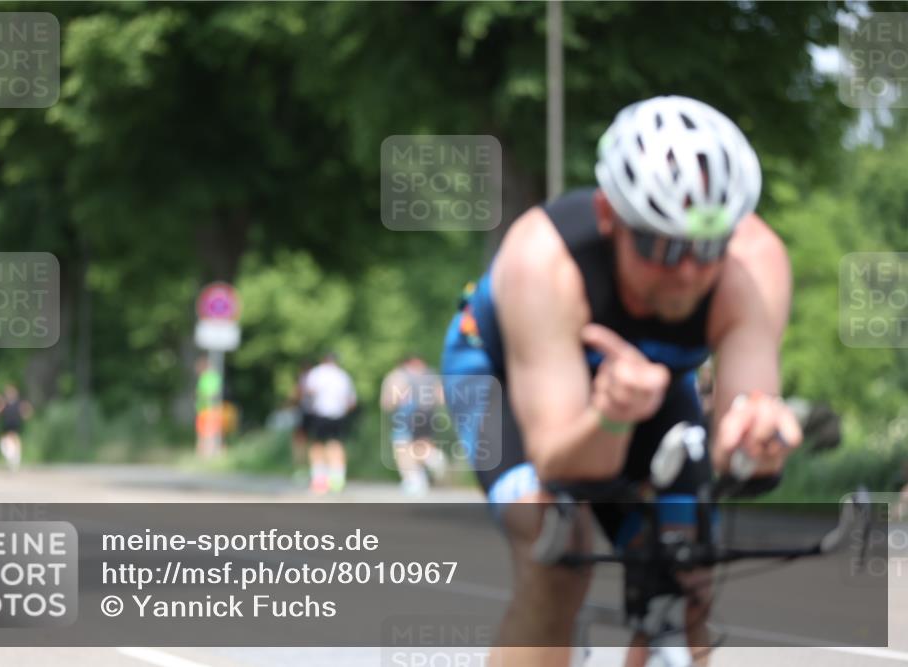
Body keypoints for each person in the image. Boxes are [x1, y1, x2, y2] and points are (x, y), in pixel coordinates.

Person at [440, 96, 803, 667]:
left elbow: (745, 416)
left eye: (707, 246)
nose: (687, 271)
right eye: (661, 245)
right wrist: (611, 417)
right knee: (557, 556)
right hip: (501, 374)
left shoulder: (753, 264)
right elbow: (562, 461)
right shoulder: (542, 259)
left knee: (686, 575)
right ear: (610, 216)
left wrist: (756, 443)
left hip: (648, 388)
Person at [380, 354, 448, 495]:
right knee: (420, 445)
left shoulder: (398, 375)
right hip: (428, 414)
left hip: (406, 414)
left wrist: (388, 405)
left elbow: (390, 400)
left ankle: (414, 479)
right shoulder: (430, 375)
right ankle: (431, 460)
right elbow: (441, 397)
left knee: (402, 448)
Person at [303, 352, 357, 494]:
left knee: (317, 445)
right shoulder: (343, 375)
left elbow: (309, 391)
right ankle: (338, 478)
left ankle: (319, 479)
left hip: (320, 413)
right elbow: (351, 401)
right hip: (338, 415)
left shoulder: (317, 373)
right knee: (336, 444)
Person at [0, 384, 33, 471]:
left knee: (15, 440)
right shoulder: (5, 404)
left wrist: (26, 414)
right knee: (4, 442)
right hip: (6, 425)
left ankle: (16, 459)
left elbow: (26, 409)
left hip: (15, 425)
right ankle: (11, 457)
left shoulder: (18, 403)